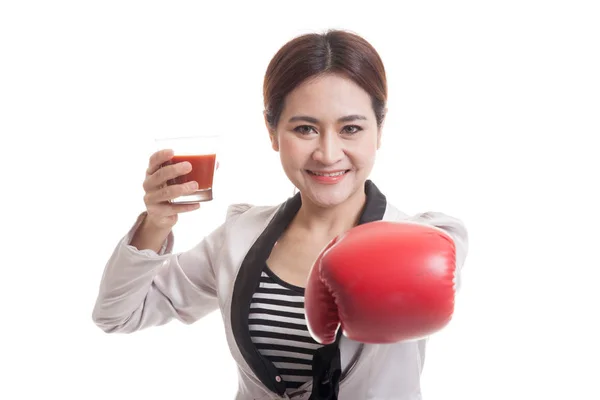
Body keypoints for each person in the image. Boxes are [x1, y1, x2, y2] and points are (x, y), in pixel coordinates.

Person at [92, 29, 469, 400]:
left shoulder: (421, 239)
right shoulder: (239, 238)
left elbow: (444, 265)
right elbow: (118, 314)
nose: (327, 153)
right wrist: (157, 223)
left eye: (351, 128)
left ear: (379, 131)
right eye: (305, 128)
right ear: (272, 133)